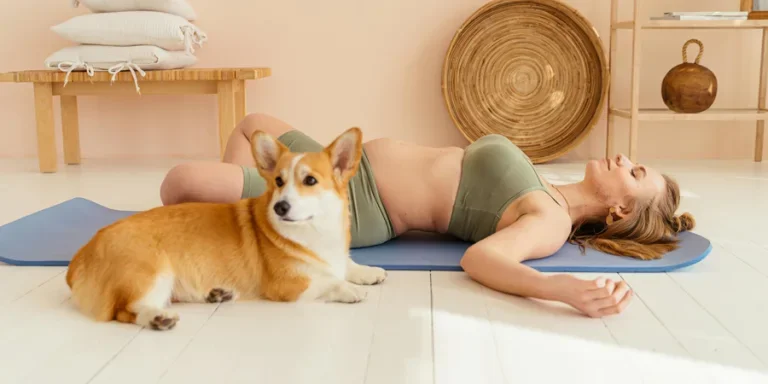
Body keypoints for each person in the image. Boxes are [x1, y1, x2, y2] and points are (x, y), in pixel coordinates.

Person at [160, 113, 695, 318]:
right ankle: (243, 227)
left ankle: (246, 224)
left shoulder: (551, 220)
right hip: (343, 165)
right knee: (252, 123)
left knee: (180, 182)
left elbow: (482, 258)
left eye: (635, 171)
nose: (623, 158)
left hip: (356, 202)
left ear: (620, 209)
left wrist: (559, 289)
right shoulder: (550, 183)